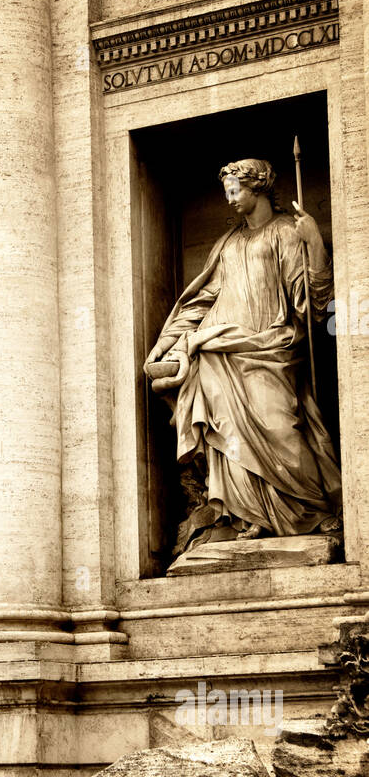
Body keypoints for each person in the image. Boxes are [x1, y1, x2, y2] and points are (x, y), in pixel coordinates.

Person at [145, 158, 341, 547]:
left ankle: (316, 508)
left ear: (259, 188)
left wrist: (314, 242)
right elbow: (200, 301)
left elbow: (315, 302)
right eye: (226, 193)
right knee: (227, 435)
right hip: (219, 351)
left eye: (235, 191)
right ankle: (246, 514)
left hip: (269, 347)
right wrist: (166, 344)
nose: (230, 200)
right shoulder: (228, 243)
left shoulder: (286, 232)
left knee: (281, 426)